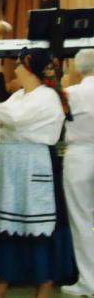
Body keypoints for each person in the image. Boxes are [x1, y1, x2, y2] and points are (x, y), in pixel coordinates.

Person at [0, 48, 74, 298]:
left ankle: (42, 291)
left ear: (29, 69)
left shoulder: (47, 97)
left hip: (33, 164)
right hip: (9, 166)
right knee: (3, 226)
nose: (15, 68)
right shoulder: (19, 95)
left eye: (18, 64)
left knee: (37, 228)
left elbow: (14, 119)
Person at [61, 49, 94, 297]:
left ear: (78, 69)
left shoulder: (70, 94)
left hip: (79, 156)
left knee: (83, 220)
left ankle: (89, 281)